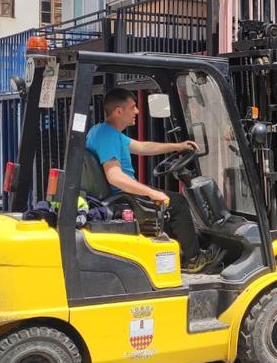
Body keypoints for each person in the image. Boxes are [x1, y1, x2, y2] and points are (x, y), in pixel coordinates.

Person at [86, 87, 218, 271]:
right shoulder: (107, 135)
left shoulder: (103, 131)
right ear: (119, 111)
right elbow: (114, 176)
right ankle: (194, 259)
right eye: (133, 107)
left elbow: (142, 147)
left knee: (168, 204)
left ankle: (184, 249)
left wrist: (177, 146)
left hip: (120, 196)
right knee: (178, 203)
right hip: (124, 199)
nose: (138, 112)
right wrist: (151, 192)